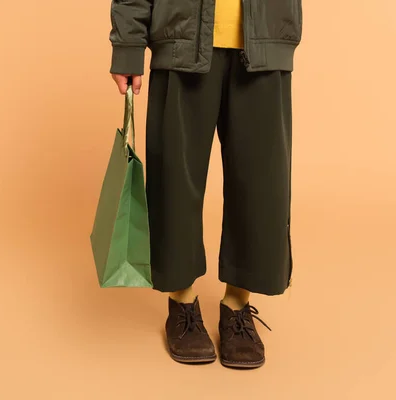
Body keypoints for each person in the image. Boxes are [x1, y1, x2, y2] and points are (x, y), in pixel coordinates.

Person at [109, 0, 302, 368]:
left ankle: (238, 306)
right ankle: (181, 303)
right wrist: (128, 44)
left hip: (265, 39)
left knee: (262, 183)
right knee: (175, 182)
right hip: (180, 37)